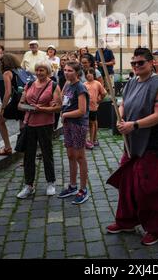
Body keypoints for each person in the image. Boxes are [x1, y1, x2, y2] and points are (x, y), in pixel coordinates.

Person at [106, 47, 158, 246]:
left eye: (141, 63)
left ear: (151, 63)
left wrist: (133, 124)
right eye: (133, 63)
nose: (136, 66)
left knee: (152, 188)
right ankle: (126, 221)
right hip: (133, 142)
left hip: (154, 143)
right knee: (127, 183)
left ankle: (157, 229)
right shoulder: (130, 83)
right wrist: (122, 116)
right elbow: (123, 104)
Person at [17, 62, 62, 199]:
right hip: (29, 123)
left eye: (41, 70)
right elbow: (20, 104)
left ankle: (50, 182)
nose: (38, 72)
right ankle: (29, 185)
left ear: (47, 71)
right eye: (37, 70)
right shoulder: (29, 84)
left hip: (45, 124)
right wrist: (29, 108)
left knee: (46, 153)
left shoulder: (53, 86)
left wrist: (42, 109)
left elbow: (58, 107)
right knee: (28, 155)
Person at [58, 62, 90, 205]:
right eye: (65, 70)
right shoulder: (68, 85)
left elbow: (82, 111)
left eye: (70, 70)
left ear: (77, 73)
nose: (66, 72)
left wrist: (66, 115)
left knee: (80, 156)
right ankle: (72, 186)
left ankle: (83, 189)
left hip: (78, 124)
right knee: (70, 155)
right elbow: (62, 101)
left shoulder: (80, 87)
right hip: (68, 124)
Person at [0, 54, 24, 156]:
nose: (0, 63)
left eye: (1, 61)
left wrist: (2, 108)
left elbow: (7, 93)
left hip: (16, 101)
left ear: (5, 63)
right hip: (25, 100)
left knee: (0, 120)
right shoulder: (20, 70)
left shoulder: (7, 73)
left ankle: (7, 147)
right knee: (23, 126)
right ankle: (25, 153)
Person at [84, 68, 107, 149]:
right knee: (86, 124)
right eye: (87, 73)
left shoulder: (97, 83)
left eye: (90, 73)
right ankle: (86, 140)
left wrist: (99, 99)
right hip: (85, 108)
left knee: (92, 123)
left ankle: (92, 140)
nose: (88, 74)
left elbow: (104, 92)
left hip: (93, 107)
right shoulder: (84, 84)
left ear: (93, 74)